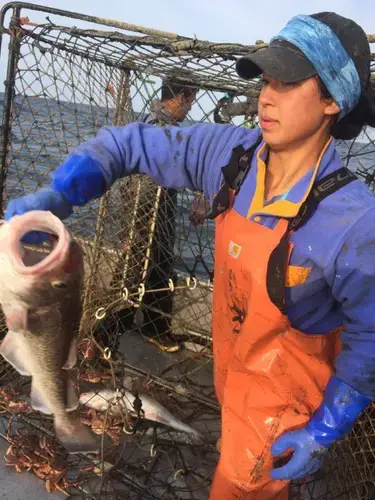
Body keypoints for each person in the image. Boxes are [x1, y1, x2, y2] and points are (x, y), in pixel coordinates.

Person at [6, 11, 375, 499]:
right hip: (231, 365)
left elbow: (369, 337)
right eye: (265, 80)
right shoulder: (234, 156)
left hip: (282, 404)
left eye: (286, 83)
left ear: (331, 99)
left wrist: (325, 429)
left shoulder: (354, 223)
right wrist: (58, 195)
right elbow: (128, 144)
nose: (266, 96)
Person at [117, 79, 198, 353]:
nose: (190, 108)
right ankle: (106, 333)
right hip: (145, 204)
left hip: (159, 204)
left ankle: (155, 326)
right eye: (191, 100)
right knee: (135, 267)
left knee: (161, 263)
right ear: (182, 97)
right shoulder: (156, 126)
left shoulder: (165, 125)